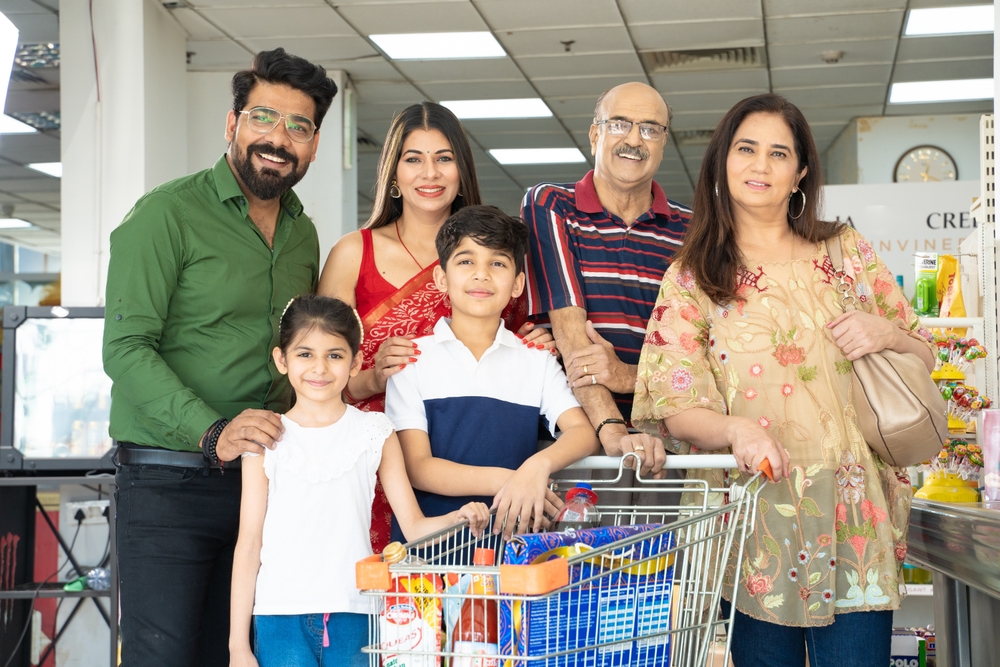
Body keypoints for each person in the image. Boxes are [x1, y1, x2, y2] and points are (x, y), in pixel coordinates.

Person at [631, 93, 934, 667]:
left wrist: (886, 333)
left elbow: (920, 351)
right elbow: (674, 401)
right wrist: (736, 430)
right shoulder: (692, 276)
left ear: (800, 173)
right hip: (754, 519)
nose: (760, 166)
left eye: (778, 153)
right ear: (722, 162)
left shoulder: (844, 253)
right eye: (746, 149)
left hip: (853, 516)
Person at [102, 49, 338, 667]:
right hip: (166, 483)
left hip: (262, 486)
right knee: (165, 656)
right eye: (264, 116)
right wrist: (213, 431)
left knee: (238, 655)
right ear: (231, 124)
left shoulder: (300, 233)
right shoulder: (167, 214)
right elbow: (124, 348)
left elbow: (293, 357)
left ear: (313, 147)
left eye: (299, 126)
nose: (278, 138)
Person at [318, 102, 552, 551]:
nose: (430, 173)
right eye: (413, 158)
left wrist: (535, 342)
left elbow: (511, 346)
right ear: (394, 172)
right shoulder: (353, 253)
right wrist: (372, 376)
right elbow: (319, 368)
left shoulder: (490, 258)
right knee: (382, 601)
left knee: (466, 601)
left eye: (444, 158)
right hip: (372, 458)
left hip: (467, 459)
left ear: (461, 170)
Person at [229, 295, 490, 667]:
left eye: (334, 355)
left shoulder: (375, 431)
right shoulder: (264, 438)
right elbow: (249, 543)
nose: (319, 367)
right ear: (281, 360)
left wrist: (459, 518)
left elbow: (413, 526)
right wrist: (237, 646)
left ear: (356, 363)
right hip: (277, 615)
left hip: (357, 611)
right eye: (305, 354)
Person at [385, 205, 600, 539]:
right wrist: (512, 480)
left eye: (497, 263)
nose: (481, 274)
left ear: (517, 285)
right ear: (442, 278)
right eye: (466, 261)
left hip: (511, 547)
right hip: (431, 549)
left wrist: (536, 467)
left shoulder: (536, 360)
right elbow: (418, 468)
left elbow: (582, 433)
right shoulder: (412, 360)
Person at [521, 82, 690, 475]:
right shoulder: (551, 204)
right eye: (619, 124)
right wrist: (612, 429)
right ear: (595, 133)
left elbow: (699, 353)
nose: (634, 139)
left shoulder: (692, 230)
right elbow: (570, 333)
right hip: (574, 444)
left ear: (664, 143)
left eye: (650, 128)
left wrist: (629, 377)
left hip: (669, 444)